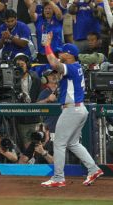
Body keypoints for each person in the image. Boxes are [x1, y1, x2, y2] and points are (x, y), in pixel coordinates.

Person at [41, 33, 103, 187]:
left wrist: (46, 46)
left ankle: (58, 178)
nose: (59, 54)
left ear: (69, 55)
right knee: (73, 143)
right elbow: (55, 66)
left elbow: (54, 64)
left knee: (60, 143)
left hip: (72, 110)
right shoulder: (74, 67)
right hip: (78, 109)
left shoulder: (73, 67)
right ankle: (93, 169)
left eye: (62, 52)